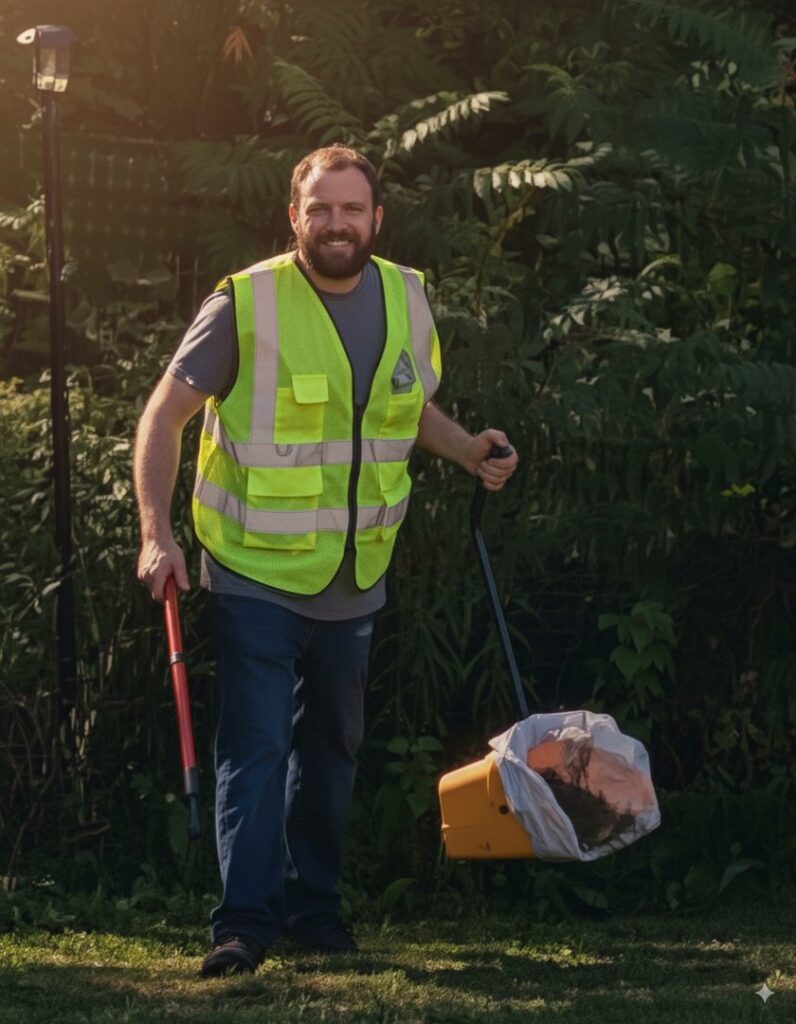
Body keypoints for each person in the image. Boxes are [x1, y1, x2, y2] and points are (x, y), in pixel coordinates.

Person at [134, 144, 518, 977]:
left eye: (352, 209)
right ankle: (242, 927)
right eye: (321, 209)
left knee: (334, 750)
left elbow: (404, 406)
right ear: (294, 216)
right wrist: (155, 533)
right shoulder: (246, 302)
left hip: (356, 579)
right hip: (253, 574)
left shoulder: (407, 296)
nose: (336, 224)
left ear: (377, 218)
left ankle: (316, 914)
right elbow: (164, 417)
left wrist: (467, 449)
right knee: (259, 746)